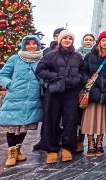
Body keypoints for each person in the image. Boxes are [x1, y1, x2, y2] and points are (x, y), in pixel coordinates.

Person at [36, 30, 84, 164]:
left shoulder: (77, 57)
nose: (67, 40)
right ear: (60, 40)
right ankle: (51, 149)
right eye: (65, 38)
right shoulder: (51, 55)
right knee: (51, 118)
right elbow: (40, 70)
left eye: (70, 38)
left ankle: (67, 147)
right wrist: (55, 78)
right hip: (55, 91)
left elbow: (82, 71)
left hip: (71, 92)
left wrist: (77, 80)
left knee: (70, 120)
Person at [0, 35, 44, 167]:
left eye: (33, 44)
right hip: (15, 97)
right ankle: (11, 153)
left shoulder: (41, 60)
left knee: (24, 126)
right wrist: (10, 85)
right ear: (23, 45)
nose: (31, 46)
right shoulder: (15, 59)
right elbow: (2, 75)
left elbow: (43, 76)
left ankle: (18, 150)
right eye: (28, 44)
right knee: (12, 125)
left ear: (38, 45)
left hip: (33, 98)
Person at [81, 31, 106, 157]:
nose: (105, 43)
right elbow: (83, 71)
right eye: (103, 40)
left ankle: (100, 142)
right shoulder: (90, 56)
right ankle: (91, 143)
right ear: (99, 41)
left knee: (102, 120)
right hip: (92, 93)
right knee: (90, 120)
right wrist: (88, 81)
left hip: (105, 93)